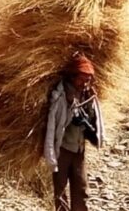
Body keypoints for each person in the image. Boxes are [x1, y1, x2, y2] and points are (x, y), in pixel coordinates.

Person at [44, 53, 105, 211]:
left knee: (81, 190)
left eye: (88, 79)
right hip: (63, 150)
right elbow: (53, 125)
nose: (85, 83)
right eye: (82, 78)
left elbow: (94, 120)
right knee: (61, 192)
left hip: (79, 151)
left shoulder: (88, 95)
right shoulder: (61, 95)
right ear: (73, 77)